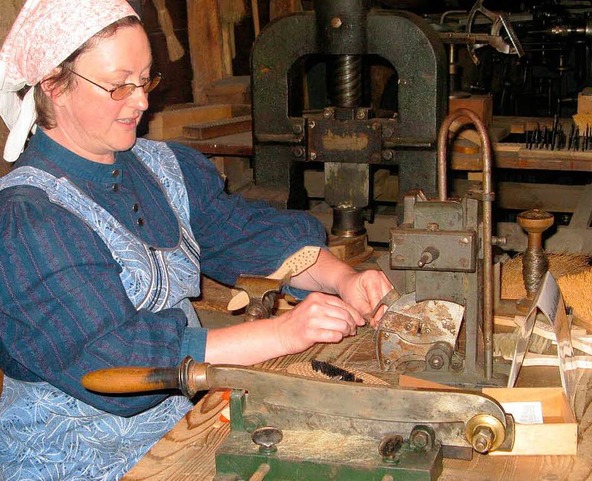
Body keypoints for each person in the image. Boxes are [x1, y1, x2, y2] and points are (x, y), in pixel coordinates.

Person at [0, 1, 393, 480]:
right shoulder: (28, 219)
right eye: (118, 84)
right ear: (52, 84)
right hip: (78, 458)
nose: (141, 101)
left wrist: (342, 278)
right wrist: (279, 334)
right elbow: (113, 358)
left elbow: (241, 234)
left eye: (146, 80)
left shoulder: (161, 167)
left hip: (182, 426)